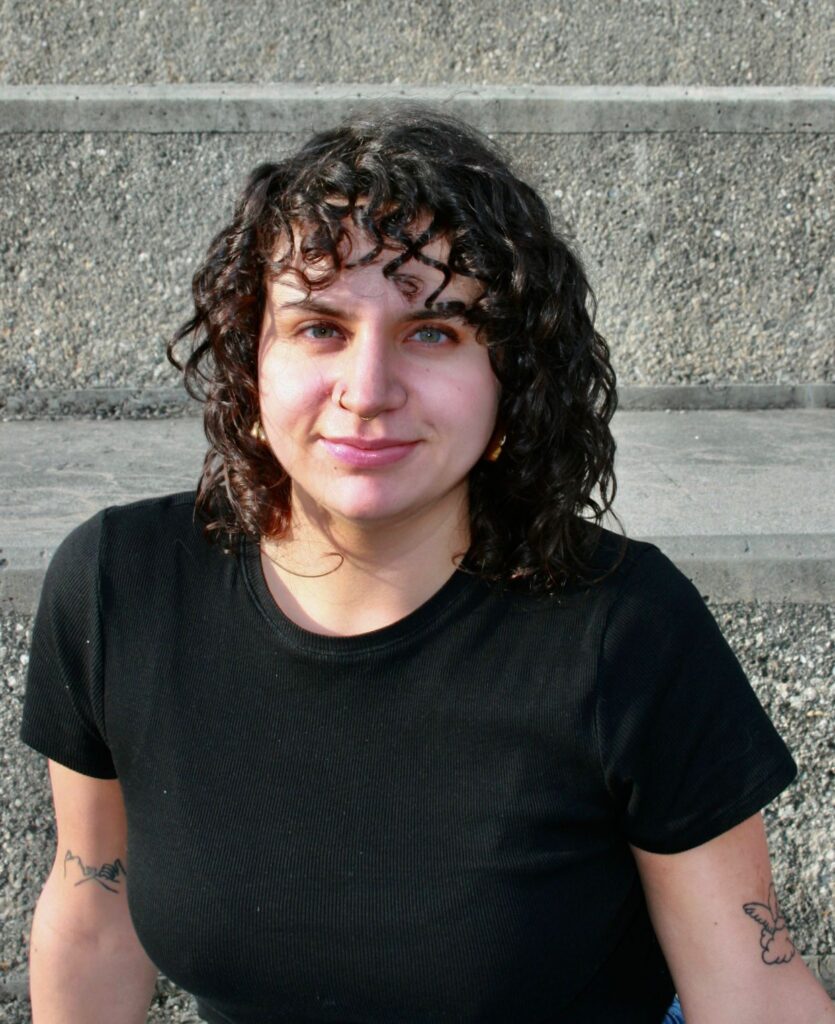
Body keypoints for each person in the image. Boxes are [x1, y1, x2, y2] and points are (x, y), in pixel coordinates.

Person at [20, 108, 834, 1024]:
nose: (368, 392)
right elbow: (93, 920)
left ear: (510, 379)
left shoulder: (624, 630)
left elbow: (748, 987)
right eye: (319, 327)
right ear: (251, 361)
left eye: (434, 331)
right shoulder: (122, 588)